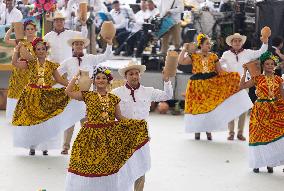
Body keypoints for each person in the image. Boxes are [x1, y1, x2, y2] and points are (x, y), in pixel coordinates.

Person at [65, 66, 150, 191]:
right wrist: (76, 77)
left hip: (108, 137)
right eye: (98, 78)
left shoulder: (113, 98)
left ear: (108, 80)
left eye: (104, 78)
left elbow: (120, 117)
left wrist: (137, 125)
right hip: (90, 136)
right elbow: (68, 92)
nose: (101, 80)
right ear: (93, 81)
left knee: (107, 165)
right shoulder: (88, 95)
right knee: (88, 164)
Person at [11, 38, 85, 155]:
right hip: (31, 95)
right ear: (35, 51)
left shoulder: (51, 65)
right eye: (38, 49)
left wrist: (73, 85)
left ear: (46, 51)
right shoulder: (30, 64)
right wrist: (16, 50)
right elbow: (14, 63)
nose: (41, 51)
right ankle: (32, 145)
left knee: (46, 122)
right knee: (33, 121)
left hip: (46, 95)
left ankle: (44, 146)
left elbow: (59, 79)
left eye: (43, 49)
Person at [112, 61, 173, 191]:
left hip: (142, 136)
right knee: (123, 168)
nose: (134, 76)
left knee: (141, 167)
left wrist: (166, 81)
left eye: (137, 73)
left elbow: (167, 95)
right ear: (125, 76)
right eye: (131, 74)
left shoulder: (148, 91)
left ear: (140, 75)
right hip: (122, 136)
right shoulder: (116, 92)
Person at [178, 34, 252, 140]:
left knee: (209, 108)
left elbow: (220, 71)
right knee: (197, 108)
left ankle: (208, 131)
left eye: (210, 44)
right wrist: (184, 49)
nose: (209, 45)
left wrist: (233, 77)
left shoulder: (213, 56)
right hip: (196, 85)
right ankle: (197, 131)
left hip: (210, 84)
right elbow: (181, 61)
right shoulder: (194, 55)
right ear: (201, 45)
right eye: (207, 43)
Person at [58, 35, 113, 155]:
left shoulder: (90, 58)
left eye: (80, 44)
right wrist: (67, 83)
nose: (78, 46)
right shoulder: (67, 62)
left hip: (88, 96)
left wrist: (109, 44)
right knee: (69, 121)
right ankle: (65, 147)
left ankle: (88, 146)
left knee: (87, 121)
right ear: (72, 46)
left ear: (83, 46)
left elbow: (106, 56)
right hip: (72, 95)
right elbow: (56, 74)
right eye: (76, 44)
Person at [240, 51, 284, 173]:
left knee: (272, 134)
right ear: (263, 66)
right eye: (267, 64)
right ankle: (258, 163)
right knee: (258, 136)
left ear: (275, 66)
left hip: (273, 110)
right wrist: (245, 72)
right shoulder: (258, 78)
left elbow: (281, 96)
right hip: (260, 110)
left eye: (272, 64)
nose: (270, 66)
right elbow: (242, 86)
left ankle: (270, 162)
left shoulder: (278, 79)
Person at [220, 32, 268, 141]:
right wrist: (223, 69)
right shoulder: (226, 54)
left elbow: (261, 52)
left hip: (244, 84)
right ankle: (231, 132)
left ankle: (240, 133)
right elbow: (219, 65)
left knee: (243, 109)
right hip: (230, 85)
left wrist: (265, 42)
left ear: (242, 42)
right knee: (230, 109)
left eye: (239, 41)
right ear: (231, 43)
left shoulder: (248, 53)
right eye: (235, 41)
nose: (237, 42)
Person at [4, 20, 37, 122]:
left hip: (31, 72)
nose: (30, 31)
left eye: (32, 29)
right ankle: (14, 117)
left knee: (29, 93)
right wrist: (12, 29)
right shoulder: (21, 41)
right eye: (28, 29)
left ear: (35, 30)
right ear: (24, 31)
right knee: (15, 92)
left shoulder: (39, 42)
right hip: (19, 72)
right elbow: (6, 40)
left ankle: (28, 116)